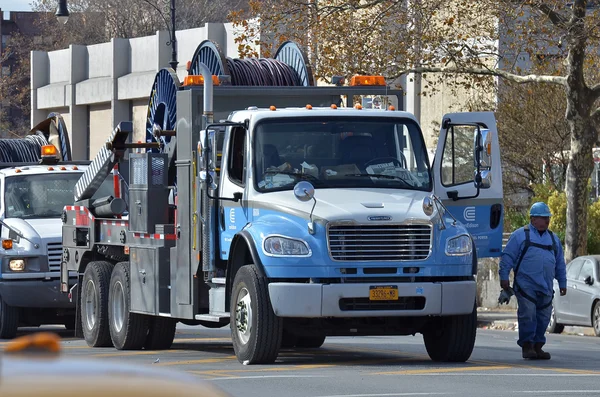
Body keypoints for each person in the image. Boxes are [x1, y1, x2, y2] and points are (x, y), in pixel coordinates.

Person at [499, 202, 567, 360]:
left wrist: (562, 282)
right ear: (533, 219)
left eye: (548, 218)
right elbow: (507, 257)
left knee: (544, 317)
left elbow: (560, 263)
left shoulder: (553, 239)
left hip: (546, 287)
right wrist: (504, 277)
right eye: (544, 218)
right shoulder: (520, 235)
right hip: (526, 286)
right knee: (528, 315)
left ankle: (538, 346)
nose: (547, 221)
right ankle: (527, 345)